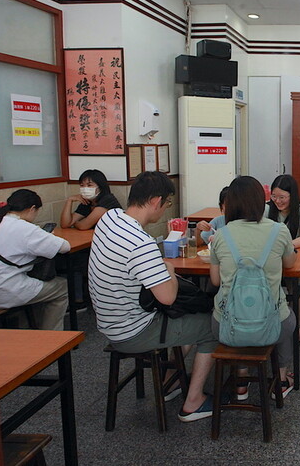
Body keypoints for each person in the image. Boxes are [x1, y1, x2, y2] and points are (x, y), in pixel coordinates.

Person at [88, 171, 217, 423]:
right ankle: (193, 402)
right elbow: (168, 297)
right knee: (211, 326)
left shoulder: (109, 219)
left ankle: (170, 380)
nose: (165, 209)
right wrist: (168, 267)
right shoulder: (140, 242)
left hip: (108, 322)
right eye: (167, 203)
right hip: (131, 332)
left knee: (188, 314)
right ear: (157, 201)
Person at [209, 176, 297, 400]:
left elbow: (215, 281)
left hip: (226, 326)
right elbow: (289, 264)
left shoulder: (220, 235)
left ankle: (241, 381)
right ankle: (282, 378)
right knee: (288, 318)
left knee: (231, 315)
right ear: (261, 201)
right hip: (272, 323)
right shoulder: (279, 230)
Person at [0, 189, 70, 330]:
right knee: (61, 286)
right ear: (32, 209)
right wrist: (49, 236)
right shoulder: (25, 228)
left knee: (38, 284)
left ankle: (31, 328)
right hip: (2, 291)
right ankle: (52, 339)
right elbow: (65, 247)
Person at [265, 174, 300, 347]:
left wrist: (283, 246)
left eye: (282, 197)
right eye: (274, 196)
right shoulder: (266, 210)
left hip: (297, 260)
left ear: (292, 196)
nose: (277, 201)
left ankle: (293, 329)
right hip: (271, 261)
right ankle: (275, 326)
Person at [59, 169, 121, 308]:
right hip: (93, 245)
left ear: (100, 186)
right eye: (82, 185)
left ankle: (78, 301)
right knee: (67, 259)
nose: (85, 189)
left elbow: (83, 225)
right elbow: (64, 224)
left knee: (74, 261)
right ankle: (77, 298)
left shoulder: (107, 200)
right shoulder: (87, 203)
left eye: (89, 185)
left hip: (110, 248)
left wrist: (76, 223)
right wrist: (69, 201)